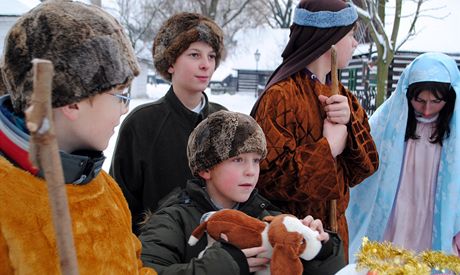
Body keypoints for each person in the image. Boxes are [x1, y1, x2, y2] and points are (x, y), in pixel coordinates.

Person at [0, 1, 156, 274]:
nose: (125, 108)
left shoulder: (104, 187)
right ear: (73, 101)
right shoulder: (8, 202)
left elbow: (133, 267)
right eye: (120, 94)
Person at [139, 110, 346, 275]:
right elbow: (146, 270)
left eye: (256, 160)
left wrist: (322, 249)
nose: (251, 171)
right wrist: (224, 266)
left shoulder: (269, 218)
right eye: (238, 160)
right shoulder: (173, 219)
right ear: (205, 169)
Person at [250, 0, 379, 259]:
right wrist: (327, 148)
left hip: (337, 236)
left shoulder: (345, 97)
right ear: (329, 39)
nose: (355, 43)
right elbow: (268, 179)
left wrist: (351, 125)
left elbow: (366, 168)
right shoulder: (281, 96)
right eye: (351, 35)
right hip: (293, 238)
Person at [110, 12, 227, 234]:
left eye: (211, 56)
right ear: (171, 62)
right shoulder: (141, 123)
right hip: (155, 253)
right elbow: (119, 203)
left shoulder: (224, 120)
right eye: (194, 55)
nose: (206, 65)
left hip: (216, 248)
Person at [346, 52, 460, 261]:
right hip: (397, 209)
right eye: (420, 100)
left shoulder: (456, 131)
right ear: (407, 94)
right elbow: (364, 160)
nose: (426, 109)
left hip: (435, 212)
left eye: (435, 101)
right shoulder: (389, 121)